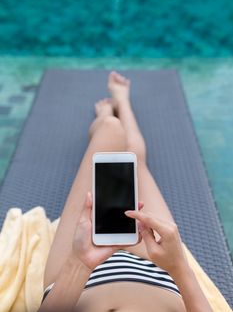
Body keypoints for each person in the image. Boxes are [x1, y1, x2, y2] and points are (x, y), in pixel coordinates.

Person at [39, 71, 212, 312]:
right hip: (159, 274)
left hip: (76, 277)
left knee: (110, 130)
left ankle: (107, 115)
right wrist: (179, 267)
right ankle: (123, 103)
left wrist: (79, 263)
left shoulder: (79, 263)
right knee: (135, 160)